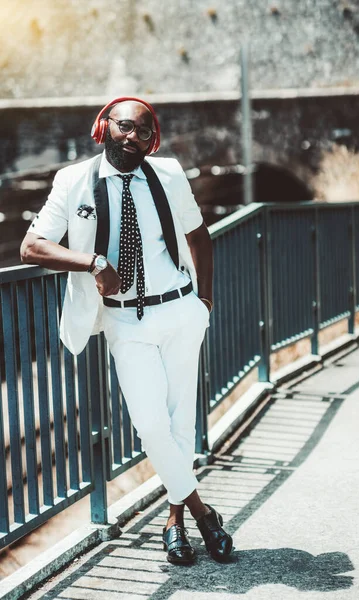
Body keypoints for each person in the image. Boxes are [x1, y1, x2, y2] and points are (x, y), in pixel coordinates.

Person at [20, 96, 233, 565]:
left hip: (179, 311)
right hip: (124, 319)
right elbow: (31, 247)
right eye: (124, 127)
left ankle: (175, 522)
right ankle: (203, 516)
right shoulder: (73, 181)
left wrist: (205, 303)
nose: (132, 137)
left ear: (151, 139)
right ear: (103, 128)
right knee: (151, 425)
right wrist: (92, 261)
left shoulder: (170, 174)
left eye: (142, 131)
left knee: (180, 425)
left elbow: (199, 236)